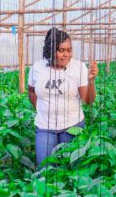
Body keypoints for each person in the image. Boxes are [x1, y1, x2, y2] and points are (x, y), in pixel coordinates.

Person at [28, 27, 98, 167]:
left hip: (72, 126)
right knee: (45, 168)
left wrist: (91, 80)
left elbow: (88, 101)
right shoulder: (37, 67)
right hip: (45, 126)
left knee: (70, 169)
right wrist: (41, 110)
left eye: (69, 50)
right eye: (61, 50)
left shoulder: (78, 67)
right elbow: (31, 91)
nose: (66, 55)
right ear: (51, 50)